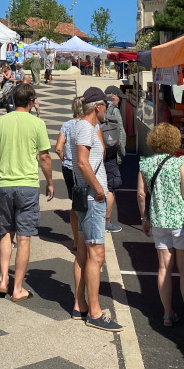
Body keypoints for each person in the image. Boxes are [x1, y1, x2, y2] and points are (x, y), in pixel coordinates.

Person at [0, 82, 54, 302]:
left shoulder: (1, 122)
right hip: (27, 185)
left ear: (13, 99)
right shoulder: (37, 123)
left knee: (6, 233)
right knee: (24, 238)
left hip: (5, 183)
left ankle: (3, 280)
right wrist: (50, 181)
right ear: (32, 101)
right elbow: (44, 157)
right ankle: (17, 288)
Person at [137, 123, 184, 329]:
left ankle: (168, 314)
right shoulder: (179, 163)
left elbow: (141, 194)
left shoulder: (145, 164)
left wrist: (144, 218)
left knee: (163, 269)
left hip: (159, 221)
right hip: (181, 222)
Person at [70, 87, 123, 332]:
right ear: (98, 107)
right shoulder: (83, 127)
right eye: (106, 106)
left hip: (86, 197)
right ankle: (94, 311)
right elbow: (81, 162)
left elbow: (92, 157)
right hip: (92, 198)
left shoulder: (88, 127)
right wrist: (99, 189)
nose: (109, 110)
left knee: (83, 253)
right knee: (96, 255)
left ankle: (80, 305)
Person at [54, 96, 88, 249]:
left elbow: (58, 148)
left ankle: (75, 239)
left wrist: (65, 159)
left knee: (75, 204)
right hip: (84, 168)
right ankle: (86, 237)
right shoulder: (88, 125)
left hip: (68, 167)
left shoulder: (67, 125)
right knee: (88, 203)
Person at [102, 86, 126, 234]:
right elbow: (121, 134)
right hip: (111, 155)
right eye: (118, 98)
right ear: (112, 96)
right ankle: (107, 222)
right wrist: (121, 154)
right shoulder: (114, 111)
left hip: (98, 153)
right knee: (110, 188)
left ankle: (96, 218)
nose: (119, 101)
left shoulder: (97, 106)